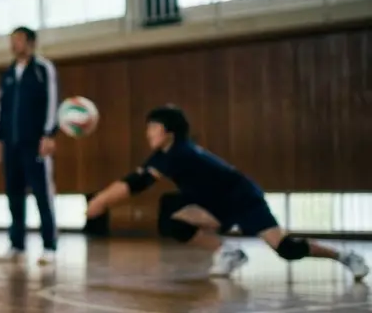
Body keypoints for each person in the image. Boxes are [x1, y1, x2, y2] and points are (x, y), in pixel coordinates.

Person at [86, 105, 368, 280]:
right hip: (212, 204)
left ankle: (343, 255)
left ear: (168, 131)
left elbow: (136, 183)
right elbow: (136, 179)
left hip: (242, 197)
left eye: (153, 127)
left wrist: (99, 201)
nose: (148, 133)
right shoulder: (166, 153)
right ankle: (229, 251)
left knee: (286, 249)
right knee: (173, 221)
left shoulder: (178, 154)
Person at [0, 26, 59, 266]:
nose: (14, 44)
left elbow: (52, 101)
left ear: (30, 42)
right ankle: (17, 245)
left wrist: (49, 134)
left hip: (35, 143)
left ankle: (49, 246)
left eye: (18, 39)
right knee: (13, 194)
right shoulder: (8, 73)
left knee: (42, 194)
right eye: (12, 40)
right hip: (11, 144)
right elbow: (0, 108)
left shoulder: (43, 69)